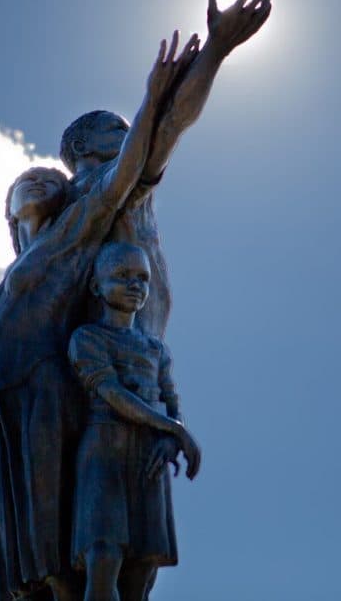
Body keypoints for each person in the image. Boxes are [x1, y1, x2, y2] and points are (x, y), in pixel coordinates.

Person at [0, 36, 195, 601]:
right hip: (33, 397)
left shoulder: (99, 198)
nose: (39, 186)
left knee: (119, 550)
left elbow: (162, 136)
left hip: (107, 383)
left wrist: (201, 65)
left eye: (44, 182)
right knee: (53, 541)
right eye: (115, 128)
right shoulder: (55, 229)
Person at [62, 0, 274, 340]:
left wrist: (215, 51)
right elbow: (172, 123)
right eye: (116, 129)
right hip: (113, 357)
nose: (129, 135)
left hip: (145, 348)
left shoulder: (118, 186)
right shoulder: (95, 189)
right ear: (82, 147)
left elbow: (170, 122)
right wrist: (216, 50)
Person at [67, 242, 201, 601]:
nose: (135, 285)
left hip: (149, 458)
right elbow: (110, 392)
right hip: (104, 450)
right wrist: (174, 429)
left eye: (142, 278)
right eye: (122, 276)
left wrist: (172, 435)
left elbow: (172, 401)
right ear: (97, 287)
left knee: (143, 567)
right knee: (104, 556)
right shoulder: (87, 338)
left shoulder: (156, 350)